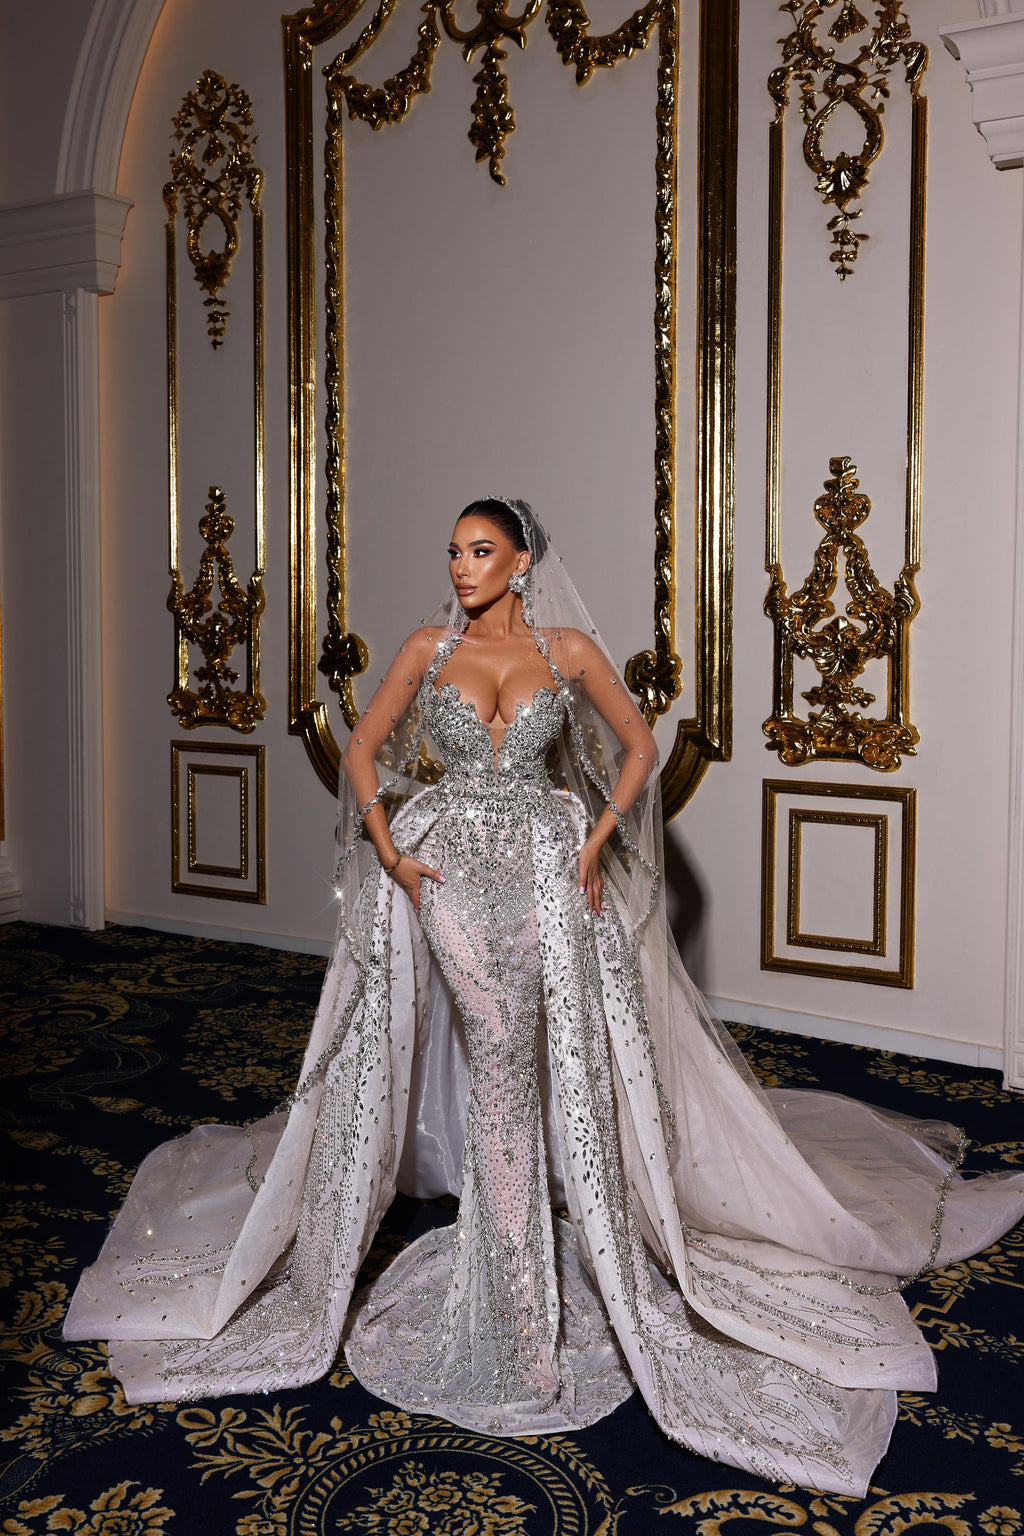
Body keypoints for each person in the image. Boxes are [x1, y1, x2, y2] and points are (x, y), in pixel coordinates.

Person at [66, 498, 1024, 1497]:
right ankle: (513, 1317)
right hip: (450, 881)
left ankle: (517, 1283)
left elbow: (638, 748)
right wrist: (393, 854)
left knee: (537, 1073)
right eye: (453, 551)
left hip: (541, 873)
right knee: (497, 1068)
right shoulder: (426, 647)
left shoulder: (565, 648)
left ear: (522, 562)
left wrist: (598, 838)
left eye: (482, 551)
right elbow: (360, 751)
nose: (462, 566)